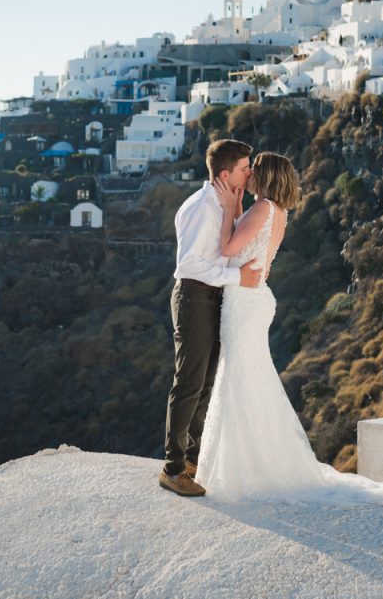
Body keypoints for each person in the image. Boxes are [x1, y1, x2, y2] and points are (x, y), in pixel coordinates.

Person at [195, 152, 383, 508]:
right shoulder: (276, 211)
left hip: (244, 303)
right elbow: (245, 244)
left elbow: (227, 247)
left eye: (253, 170)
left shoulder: (262, 208)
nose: (247, 175)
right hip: (253, 300)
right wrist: (234, 205)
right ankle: (253, 464)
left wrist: (226, 206)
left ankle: (244, 468)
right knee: (249, 378)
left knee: (239, 378)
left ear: (265, 176)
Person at [159, 139, 262, 497]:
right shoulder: (202, 207)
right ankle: (172, 470)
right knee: (188, 384)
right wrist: (236, 278)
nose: (250, 172)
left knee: (203, 385)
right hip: (194, 297)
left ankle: (191, 461)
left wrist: (236, 208)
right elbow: (188, 265)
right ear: (225, 174)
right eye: (245, 167)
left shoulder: (223, 203)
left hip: (212, 298)